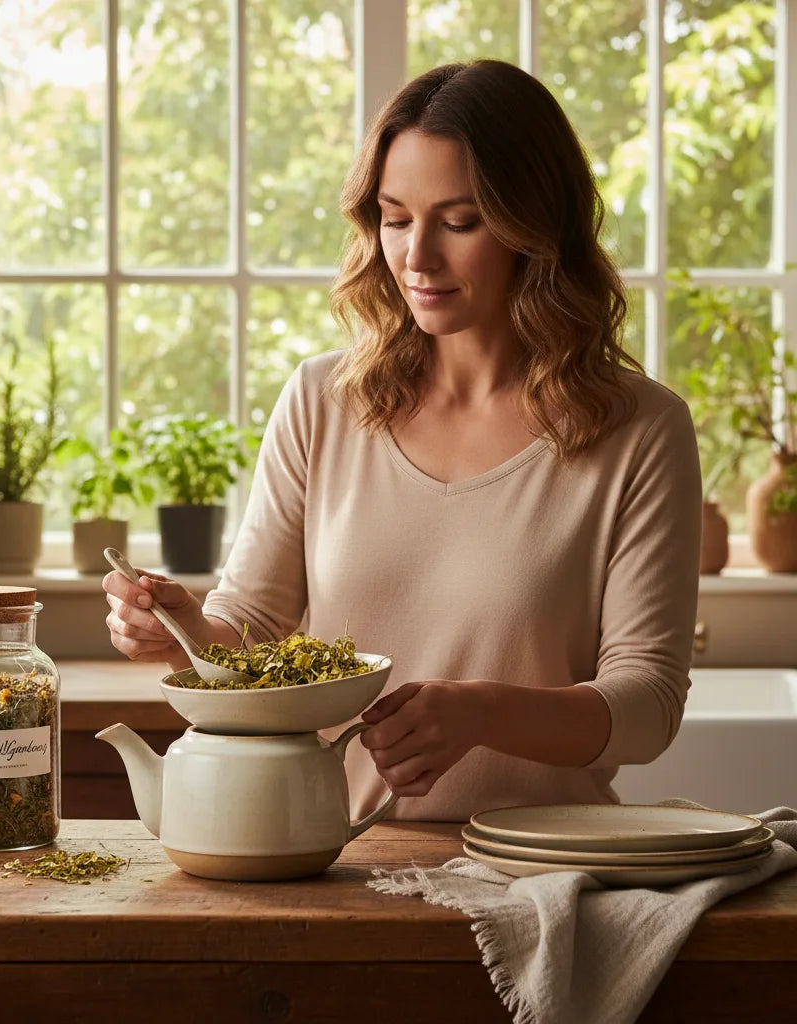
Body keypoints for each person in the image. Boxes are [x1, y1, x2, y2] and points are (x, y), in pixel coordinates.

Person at [103, 60, 702, 822]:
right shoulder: (323, 401)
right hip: (329, 866)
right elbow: (251, 633)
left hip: (535, 867)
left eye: (459, 222)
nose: (417, 257)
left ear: (536, 225)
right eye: (394, 217)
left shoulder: (640, 429)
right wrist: (180, 627)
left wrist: (481, 712)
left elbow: (647, 705)